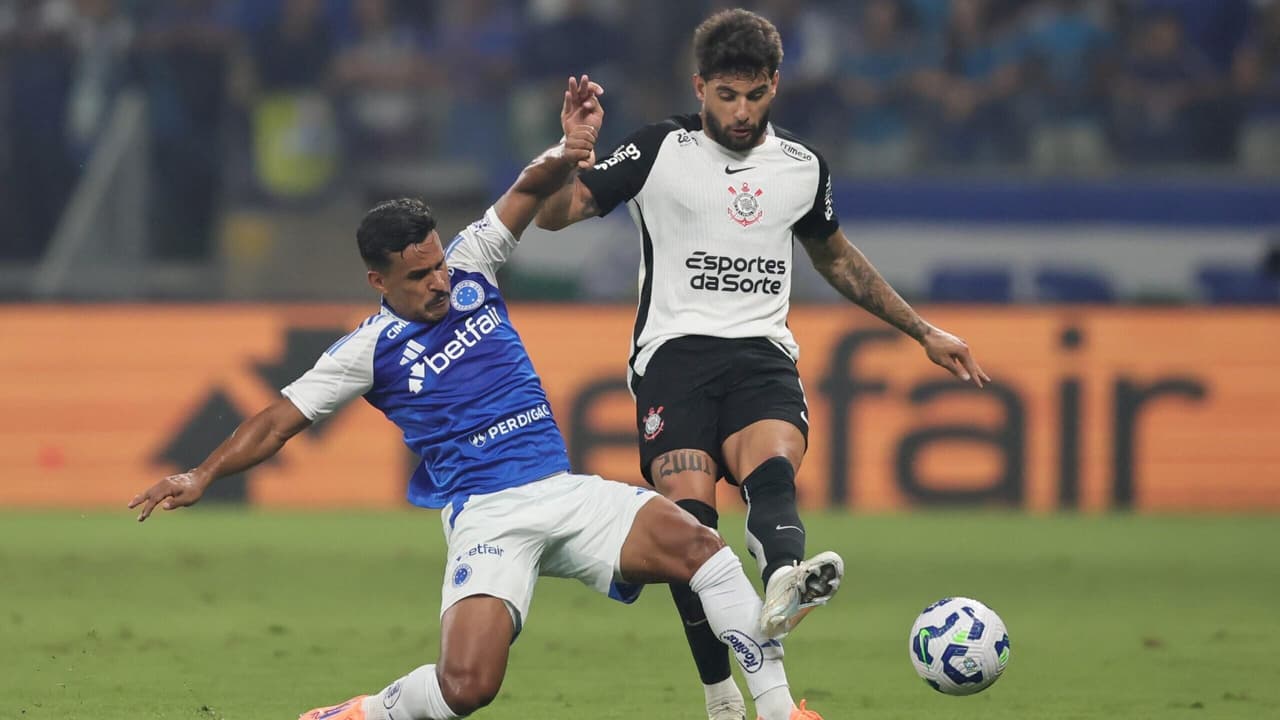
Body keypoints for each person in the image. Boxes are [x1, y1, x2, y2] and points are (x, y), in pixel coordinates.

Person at [127, 77, 824, 720]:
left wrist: (571, 146)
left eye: (437, 263)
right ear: (379, 280)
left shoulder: (473, 263)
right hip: (488, 518)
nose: (438, 280)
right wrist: (203, 473)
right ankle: (365, 712)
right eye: (419, 275)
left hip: (563, 490)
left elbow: (526, 191)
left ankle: (777, 710)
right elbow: (278, 420)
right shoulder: (368, 351)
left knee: (704, 548)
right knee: (468, 687)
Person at [536, 10, 990, 720]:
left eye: (754, 95)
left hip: (761, 355)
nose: (741, 111)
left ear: (775, 86)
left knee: (772, 470)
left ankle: (783, 582)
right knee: (691, 530)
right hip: (673, 359)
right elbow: (553, 215)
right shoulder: (659, 147)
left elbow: (835, 257)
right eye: (726, 95)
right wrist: (572, 150)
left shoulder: (801, 169)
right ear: (701, 86)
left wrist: (920, 329)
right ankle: (722, 696)